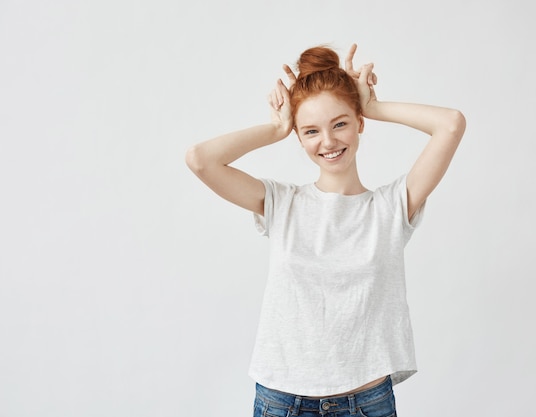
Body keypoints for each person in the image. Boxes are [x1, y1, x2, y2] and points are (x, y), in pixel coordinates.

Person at [186, 43, 466, 417]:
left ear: (359, 123)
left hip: (365, 403)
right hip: (281, 402)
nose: (329, 142)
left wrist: (373, 105)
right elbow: (200, 160)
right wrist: (276, 128)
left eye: (340, 123)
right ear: (299, 138)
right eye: (311, 131)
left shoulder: (392, 206)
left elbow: (451, 124)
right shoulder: (281, 203)